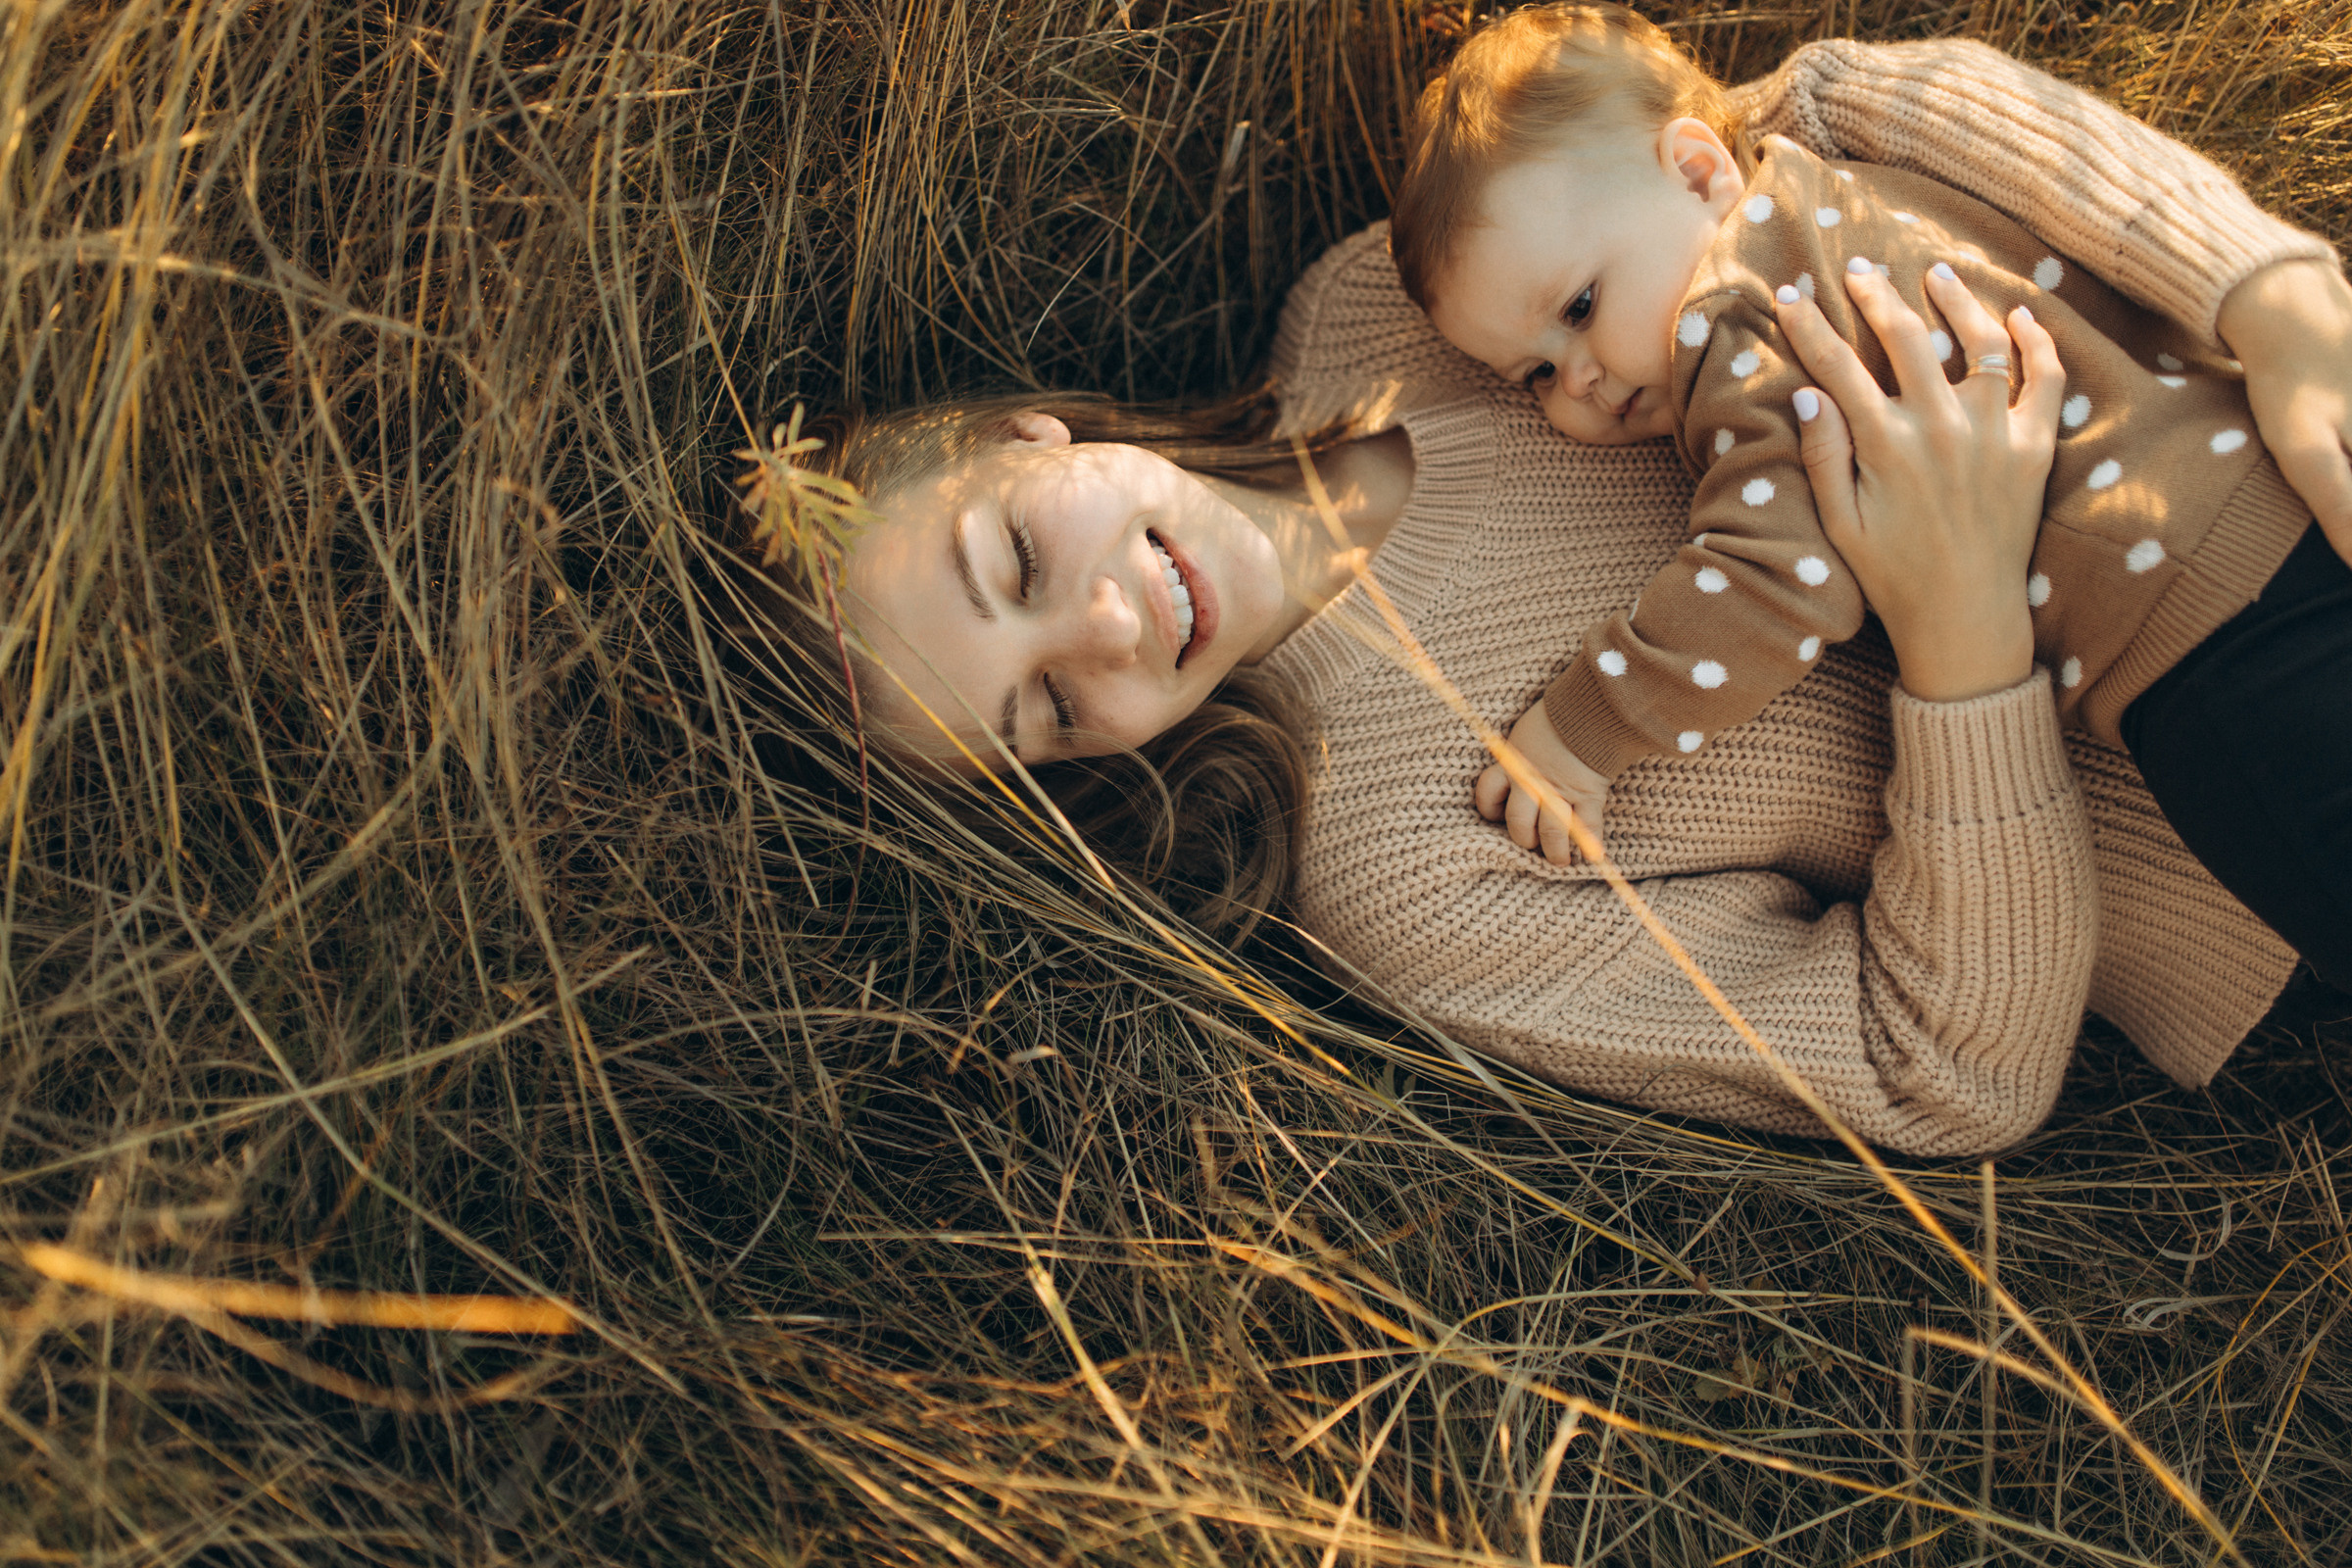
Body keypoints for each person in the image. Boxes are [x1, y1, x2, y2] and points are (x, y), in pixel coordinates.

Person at [737, 35, 2352, 1155]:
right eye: (1040, 714)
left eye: (1016, 559)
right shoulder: (1401, 878)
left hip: (2280, 459)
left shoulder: (1380, 301)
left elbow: (1818, 125)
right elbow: (1943, 1078)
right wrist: (1958, 632)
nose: (1105, 634)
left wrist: (2268, 291)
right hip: (2259, 790)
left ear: (1040, 436)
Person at [1381, 5, 2351, 991]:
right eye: (1534, 376)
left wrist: (1584, 728)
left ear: (1701, 172)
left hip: (2200, 642)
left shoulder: (1739, 325)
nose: (1578, 379)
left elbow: (1774, 578)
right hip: (2265, 484)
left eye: (1580, 308)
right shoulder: (1844, 193)